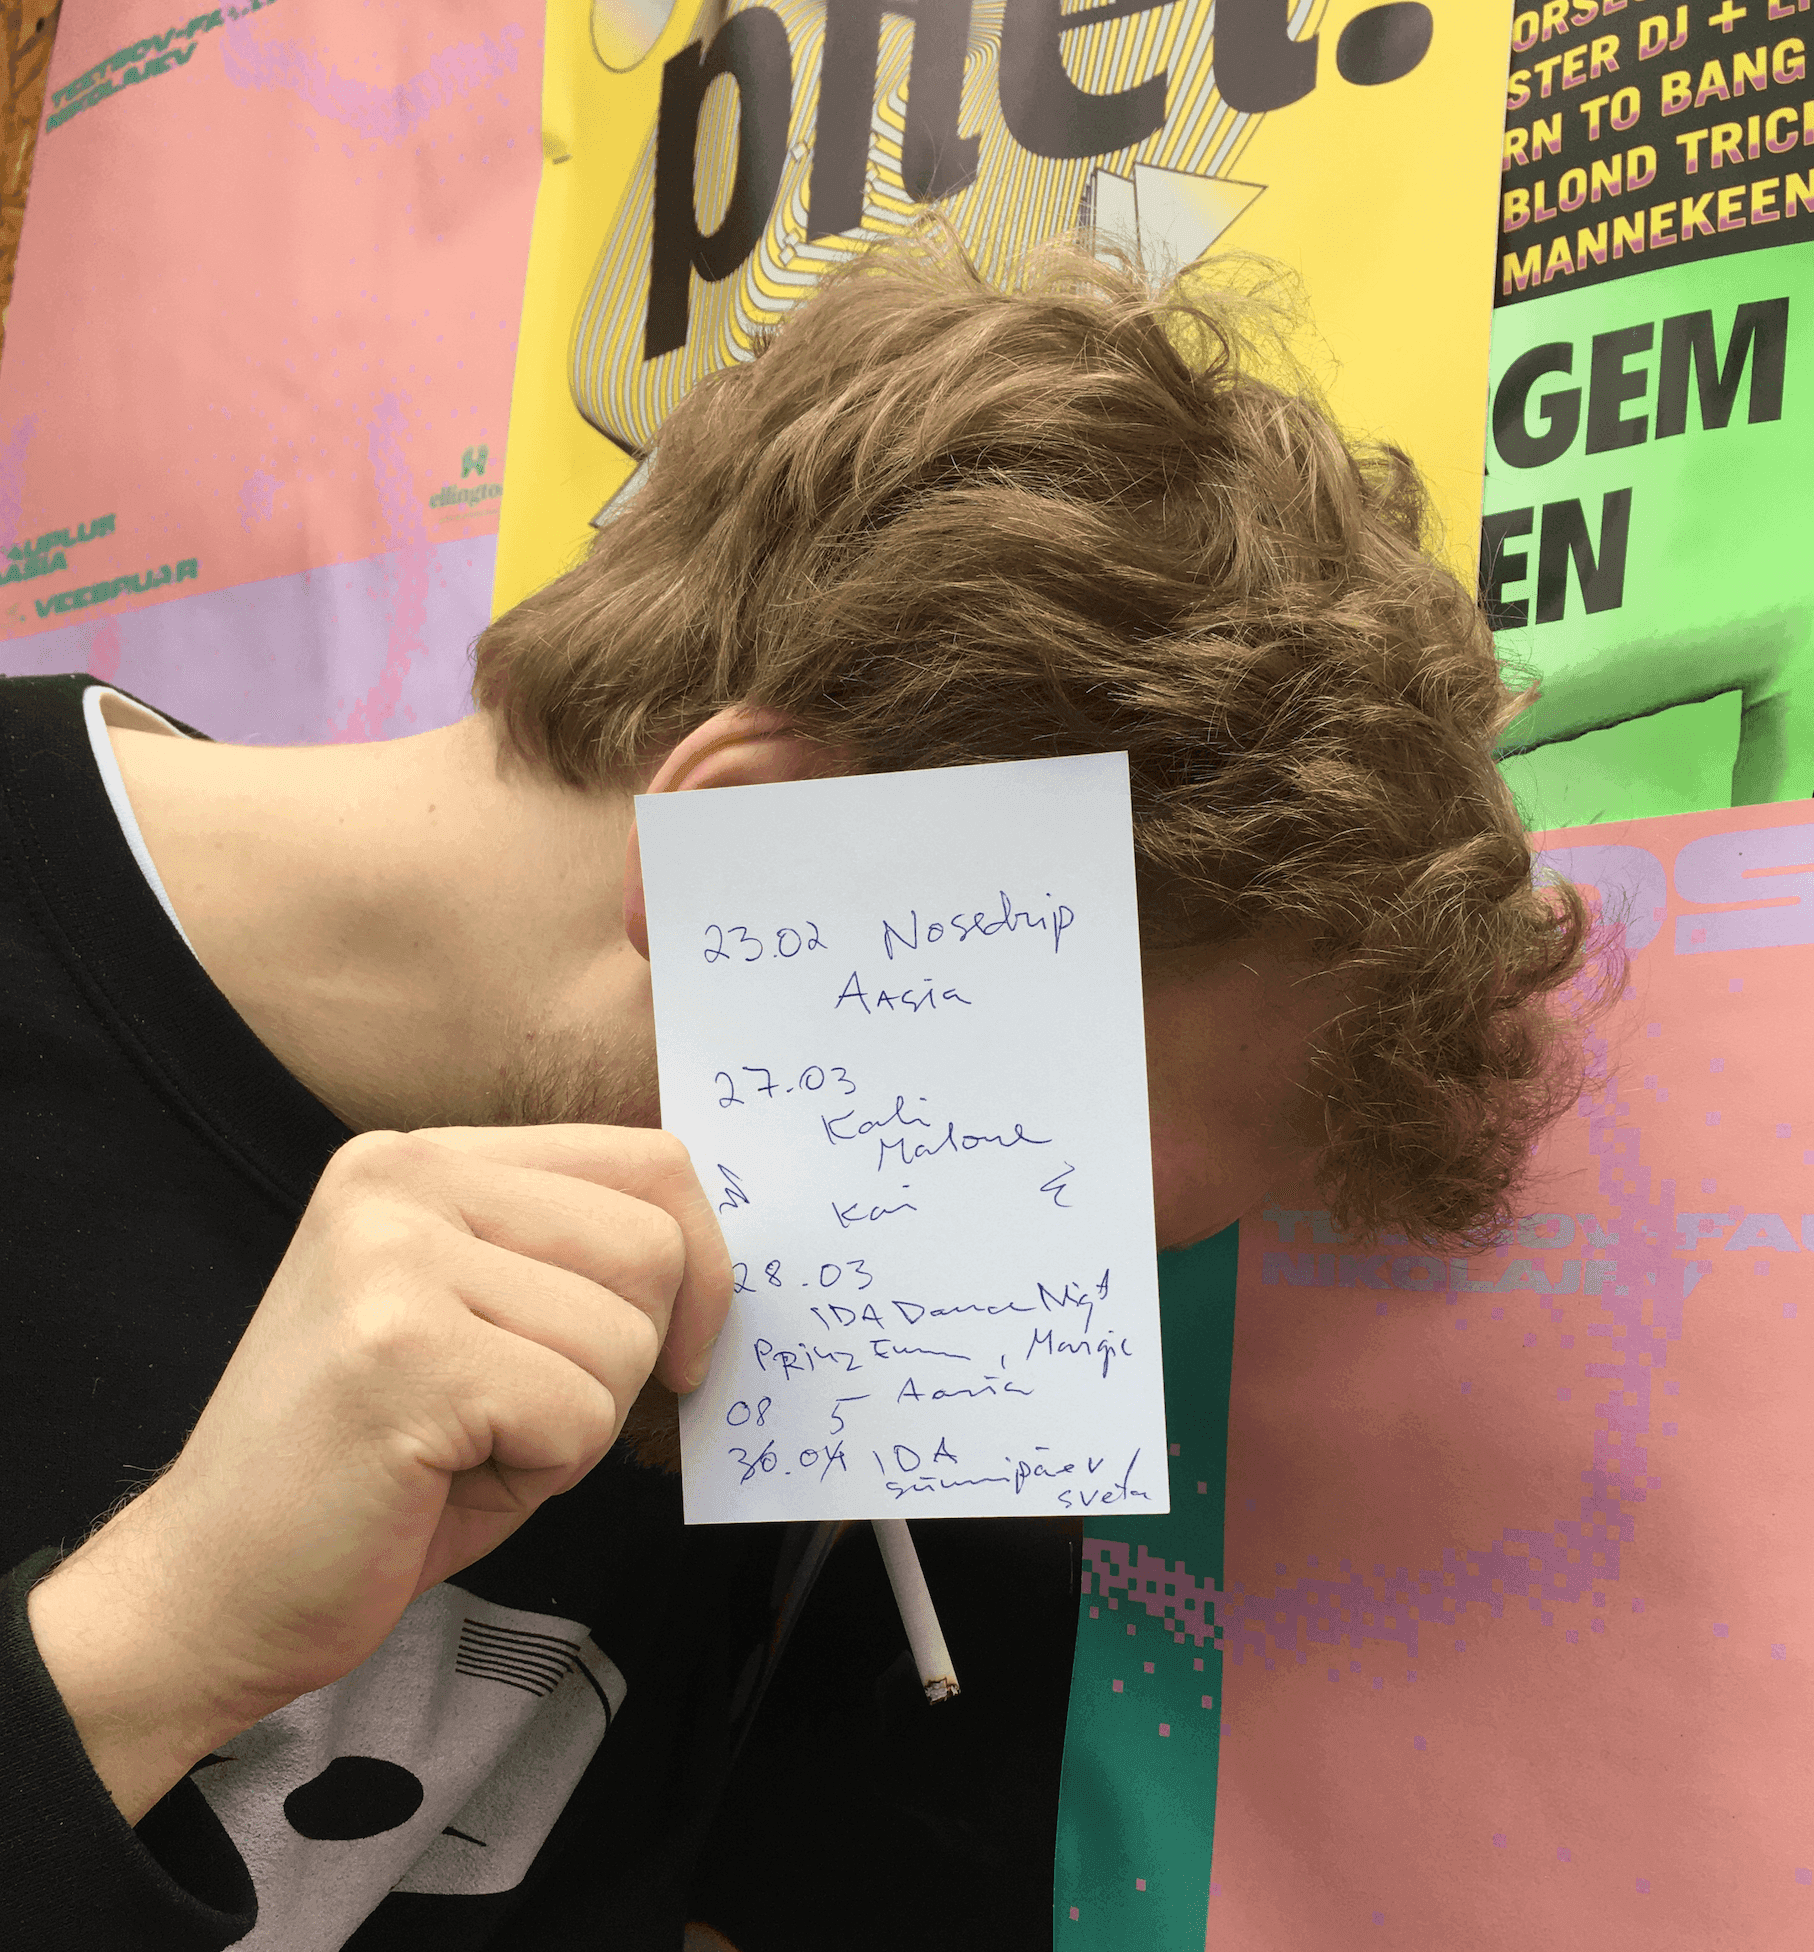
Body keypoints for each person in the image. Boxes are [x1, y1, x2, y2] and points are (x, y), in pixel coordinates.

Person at [0, 231, 1584, 1950]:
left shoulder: (784, 1400)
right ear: (758, 850)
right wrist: (158, 1640)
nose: (1026, 1338)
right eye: (1039, 1200)